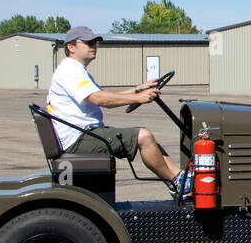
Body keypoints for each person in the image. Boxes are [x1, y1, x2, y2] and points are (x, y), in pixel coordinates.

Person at [45, 25, 191, 199]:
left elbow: (106, 95)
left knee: (148, 139)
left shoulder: (76, 70)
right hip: (79, 139)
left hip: (85, 134)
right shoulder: (70, 71)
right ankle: (177, 183)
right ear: (71, 47)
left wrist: (138, 89)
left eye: (95, 42)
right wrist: (138, 98)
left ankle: (181, 178)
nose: (93, 45)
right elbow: (99, 99)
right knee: (143, 136)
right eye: (88, 42)